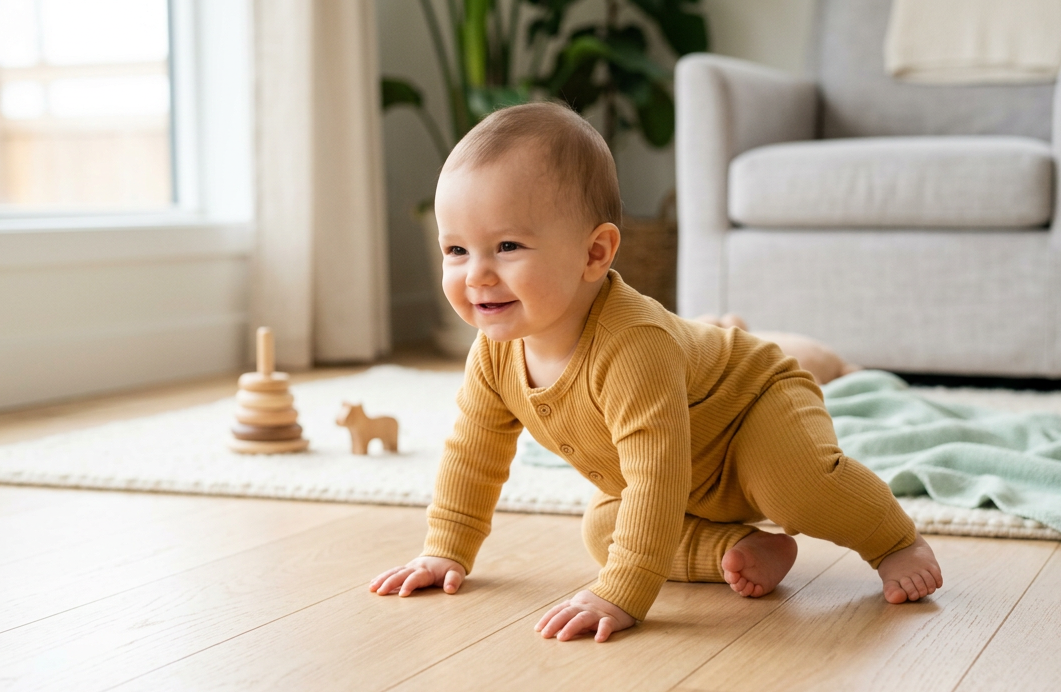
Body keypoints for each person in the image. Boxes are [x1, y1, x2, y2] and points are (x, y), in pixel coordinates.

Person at [369, 102, 942, 642]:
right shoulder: (493, 356)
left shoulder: (631, 345)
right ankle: (735, 549)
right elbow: (473, 453)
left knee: (791, 485)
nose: (477, 275)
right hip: (682, 483)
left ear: (596, 253)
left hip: (751, 413)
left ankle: (894, 540)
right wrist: (445, 549)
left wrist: (620, 594)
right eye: (456, 251)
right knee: (603, 531)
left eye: (507, 245)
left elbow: (655, 475)